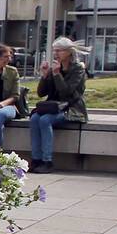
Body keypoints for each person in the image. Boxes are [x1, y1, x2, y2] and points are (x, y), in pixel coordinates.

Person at [28, 36, 88, 174]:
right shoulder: (55, 67)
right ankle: (36, 159)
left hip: (71, 108)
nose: (56, 54)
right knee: (35, 119)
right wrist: (44, 75)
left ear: (69, 52)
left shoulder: (78, 69)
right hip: (53, 106)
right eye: (54, 51)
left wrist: (56, 74)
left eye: (59, 51)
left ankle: (47, 161)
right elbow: (41, 93)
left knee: (45, 120)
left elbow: (67, 92)